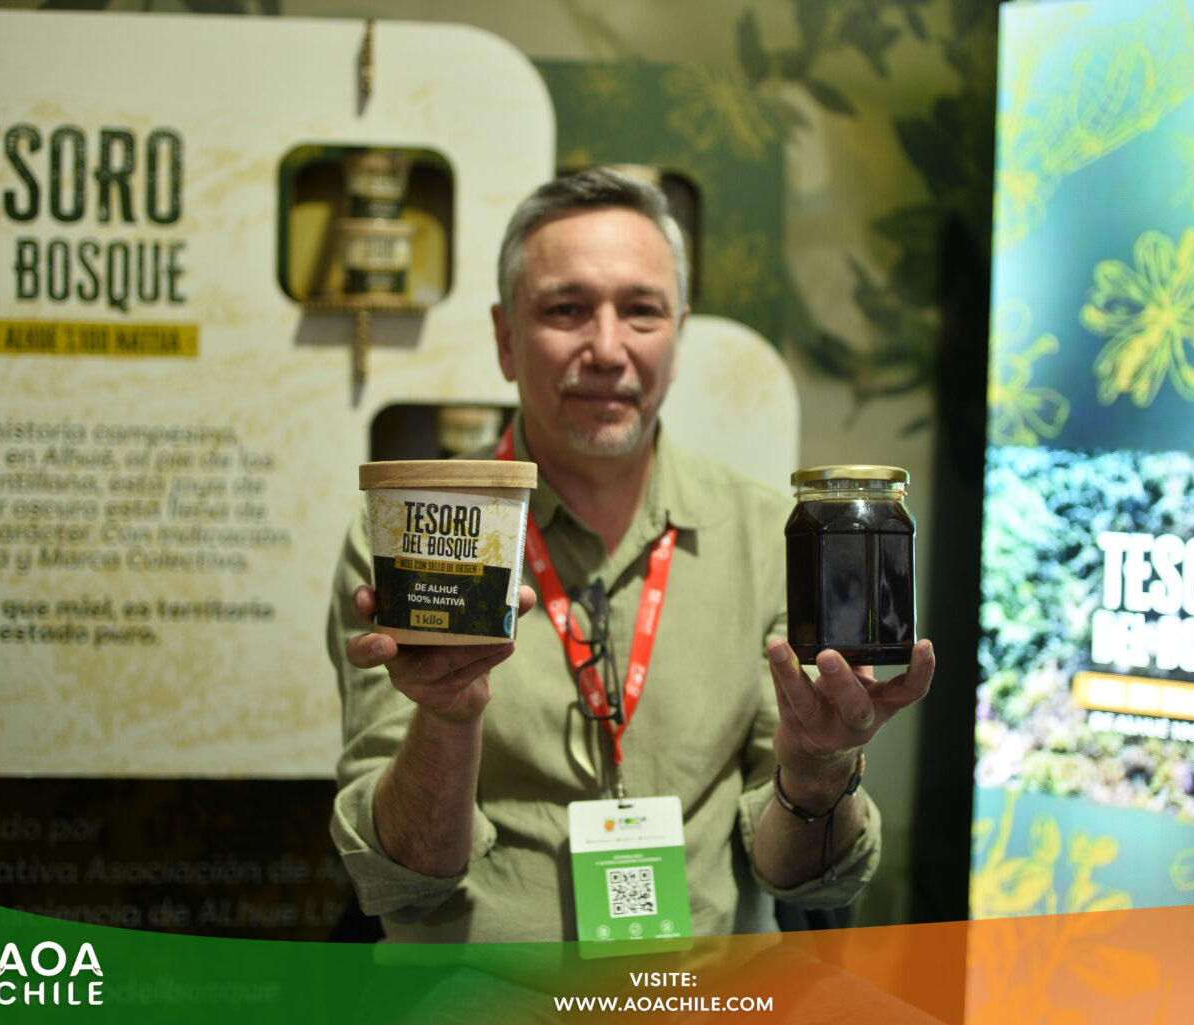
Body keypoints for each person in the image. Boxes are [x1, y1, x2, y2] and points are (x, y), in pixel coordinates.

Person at [327, 167, 935, 944]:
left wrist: (817, 770)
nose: (608, 349)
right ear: (506, 339)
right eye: (566, 309)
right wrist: (447, 718)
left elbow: (800, 875)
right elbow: (399, 877)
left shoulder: (769, 535)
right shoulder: (416, 539)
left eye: (641, 311)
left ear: (678, 338)